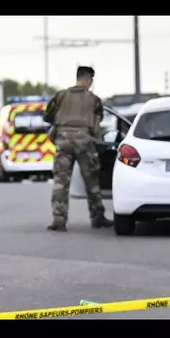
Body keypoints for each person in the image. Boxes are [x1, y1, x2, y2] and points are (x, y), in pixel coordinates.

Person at [43, 66, 113, 231]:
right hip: (84, 141)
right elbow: (96, 128)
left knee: (61, 181)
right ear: (89, 80)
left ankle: (59, 220)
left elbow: (48, 116)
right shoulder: (94, 100)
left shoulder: (60, 95)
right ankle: (97, 217)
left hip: (63, 141)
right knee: (91, 181)